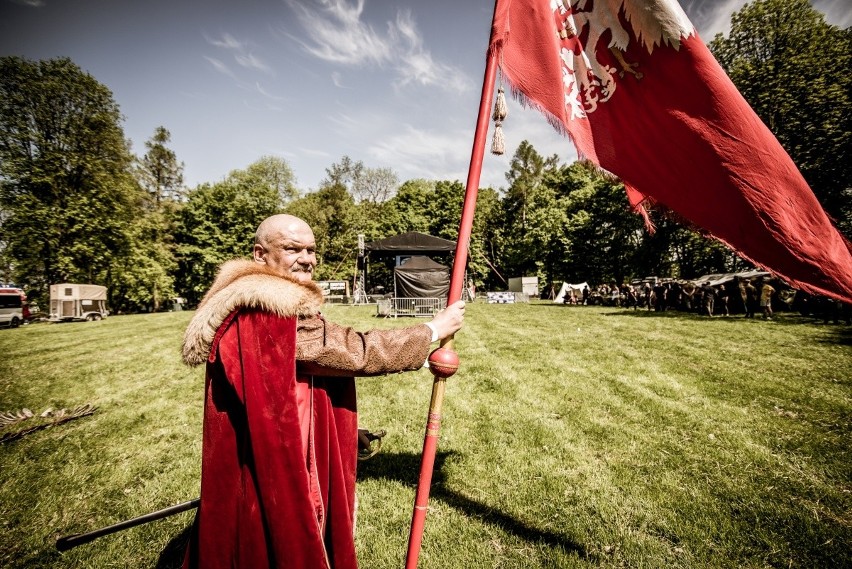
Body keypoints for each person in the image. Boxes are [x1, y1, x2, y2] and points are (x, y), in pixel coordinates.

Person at [181, 214, 465, 569]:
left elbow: (297, 383)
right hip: (274, 461)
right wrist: (430, 330)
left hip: (284, 441)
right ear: (259, 254)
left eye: (312, 250)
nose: (307, 258)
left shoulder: (273, 303)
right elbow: (349, 351)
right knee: (277, 542)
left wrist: (340, 432)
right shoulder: (266, 310)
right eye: (292, 249)